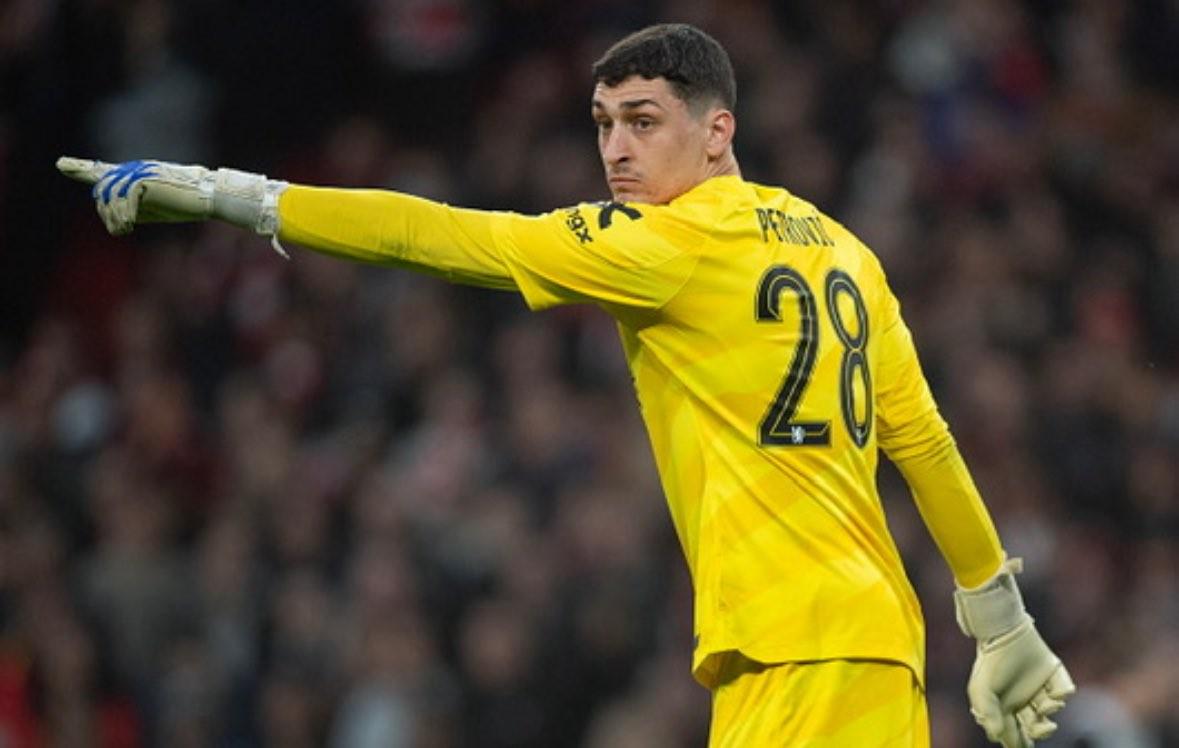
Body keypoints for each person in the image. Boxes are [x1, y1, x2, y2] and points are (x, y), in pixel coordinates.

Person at [58, 23, 1074, 747]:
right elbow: (923, 443)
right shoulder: (845, 251)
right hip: (875, 650)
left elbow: (440, 236)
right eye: (603, 123)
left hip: (794, 651)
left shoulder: (664, 244)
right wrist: (999, 620)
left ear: (717, 132)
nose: (617, 150)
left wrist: (237, 196)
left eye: (644, 121)